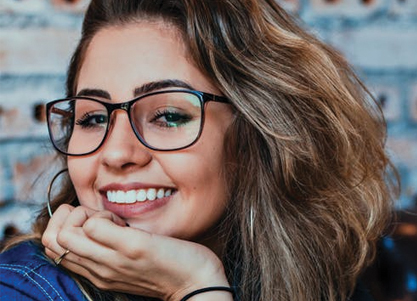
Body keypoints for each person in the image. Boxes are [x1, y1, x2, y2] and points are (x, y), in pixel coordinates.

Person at [0, 0, 398, 300]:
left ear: (255, 132)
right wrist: (196, 287)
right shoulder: (22, 289)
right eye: (93, 118)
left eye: (169, 115)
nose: (117, 153)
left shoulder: (322, 273)